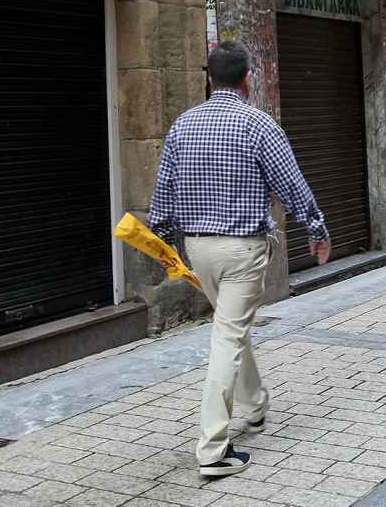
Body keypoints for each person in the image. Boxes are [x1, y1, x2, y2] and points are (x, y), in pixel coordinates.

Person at [149, 42, 330, 479]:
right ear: (248, 77)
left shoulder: (183, 125)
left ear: (209, 77)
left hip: (198, 249)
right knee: (227, 338)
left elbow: (163, 193)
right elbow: (290, 183)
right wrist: (317, 229)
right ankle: (213, 449)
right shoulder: (257, 124)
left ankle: (256, 407)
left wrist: (160, 242)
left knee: (232, 328)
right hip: (243, 250)